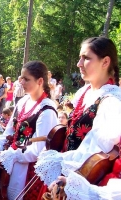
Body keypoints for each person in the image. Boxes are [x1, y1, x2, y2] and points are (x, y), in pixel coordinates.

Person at [34, 37, 121, 200]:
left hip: (84, 179)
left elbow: (96, 153)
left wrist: (72, 181)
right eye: (80, 57)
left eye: (86, 58)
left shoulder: (112, 101)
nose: (79, 63)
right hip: (65, 172)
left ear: (105, 62)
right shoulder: (84, 92)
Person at [0, 61, 58, 200]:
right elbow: (9, 130)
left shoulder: (47, 110)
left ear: (40, 81)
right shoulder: (23, 101)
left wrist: (12, 156)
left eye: (26, 79)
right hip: (10, 161)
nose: (21, 82)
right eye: (21, 78)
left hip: (26, 170)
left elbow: (38, 150)